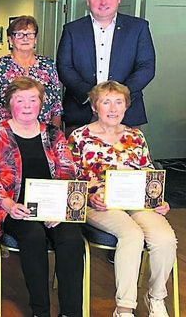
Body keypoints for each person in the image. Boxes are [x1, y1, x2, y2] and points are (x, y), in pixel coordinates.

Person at [68, 81, 175, 317]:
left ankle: (156, 298)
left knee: (165, 238)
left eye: (119, 102)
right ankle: (125, 307)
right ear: (95, 106)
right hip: (100, 203)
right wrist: (89, 196)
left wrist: (158, 198)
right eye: (106, 102)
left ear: (126, 107)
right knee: (132, 235)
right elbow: (68, 177)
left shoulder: (135, 136)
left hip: (137, 201)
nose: (113, 108)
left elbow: (148, 171)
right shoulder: (79, 137)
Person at [0, 77, 84, 317]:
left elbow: (69, 171)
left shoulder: (54, 134)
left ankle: (70, 312)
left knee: (72, 239)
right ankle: (41, 311)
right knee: (33, 236)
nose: (27, 105)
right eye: (20, 100)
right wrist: (8, 204)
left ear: (41, 103)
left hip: (54, 207)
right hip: (14, 207)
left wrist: (59, 209)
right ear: (10, 104)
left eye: (32, 99)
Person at [57, 0, 156, 134]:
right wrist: (93, 96)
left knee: (127, 158)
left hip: (127, 112)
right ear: (88, 0)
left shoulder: (138, 27)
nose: (103, 2)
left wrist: (118, 97)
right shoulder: (72, 30)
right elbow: (64, 67)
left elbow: (146, 67)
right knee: (76, 158)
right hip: (81, 110)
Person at [0, 15, 63, 131]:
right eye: (19, 34)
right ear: (10, 40)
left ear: (35, 39)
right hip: (7, 136)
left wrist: (54, 138)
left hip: (42, 134)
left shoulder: (48, 65)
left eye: (29, 34)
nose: (25, 38)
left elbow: (56, 107)